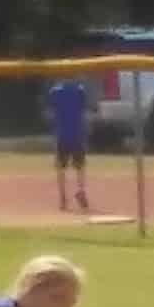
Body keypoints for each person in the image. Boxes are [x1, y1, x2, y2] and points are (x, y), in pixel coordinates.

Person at [46, 76, 93, 212]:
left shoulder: (54, 91)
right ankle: (80, 189)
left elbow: (50, 112)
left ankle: (63, 197)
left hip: (62, 134)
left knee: (61, 167)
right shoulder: (80, 90)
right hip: (77, 133)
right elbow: (84, 110)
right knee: (80, 166)